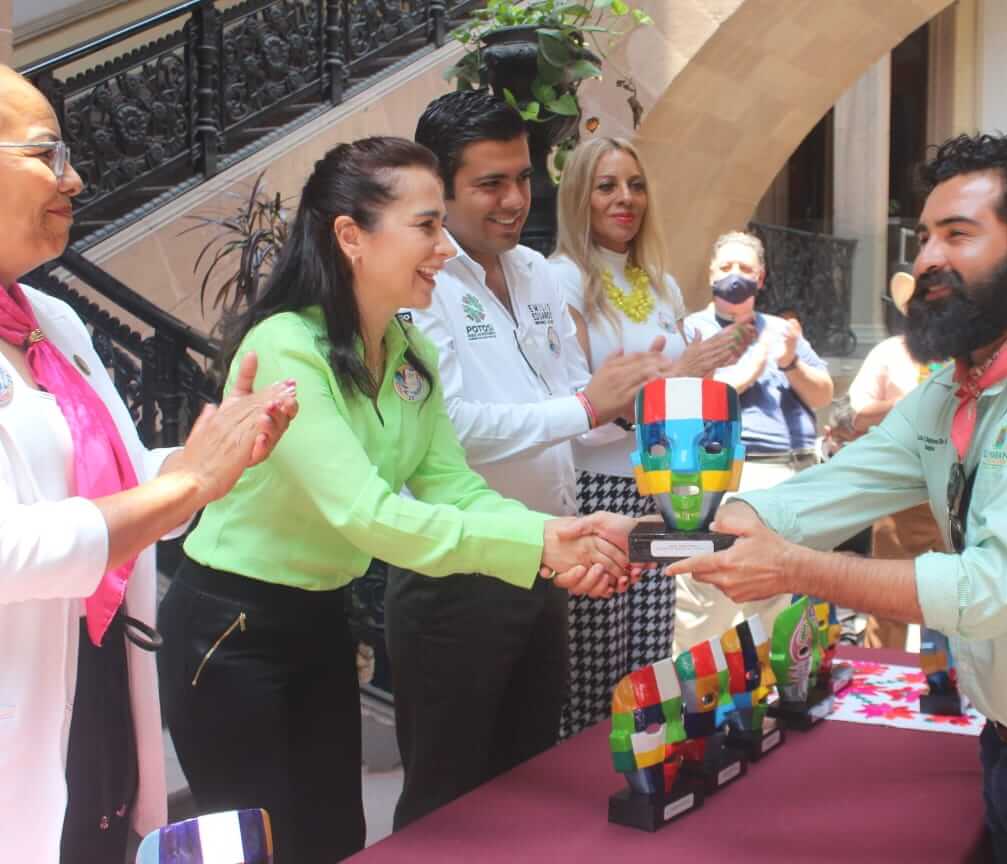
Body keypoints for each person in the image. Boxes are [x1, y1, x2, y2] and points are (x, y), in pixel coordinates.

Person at [667, 135, 1007, 860]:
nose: (926, 258)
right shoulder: (961, 389)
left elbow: (990, 589)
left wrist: (795, 568)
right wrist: (676, 531)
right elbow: (832, 489)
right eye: (924, 236)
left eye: (957, 235)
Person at [157, 137, 634, 864]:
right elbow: (368, 514)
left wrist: (555, 531)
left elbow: (452, 484)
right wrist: (539, 547)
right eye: (425, 226)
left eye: (442, 224)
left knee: (336, 840)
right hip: (231, 630)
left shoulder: (411, 348)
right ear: (350, 235)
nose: (445, 247)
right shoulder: (288, 346)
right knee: (259, 847)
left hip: (320, 619)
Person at [0, 66, 297, 863]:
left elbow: (123, 483)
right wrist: (187, 483)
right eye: (47, 154)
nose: (76, 177)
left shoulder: (51, 318)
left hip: (90, 684)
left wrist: (221, 453)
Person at [391, 92, 669, 827]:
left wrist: (624, 399)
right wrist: (588, 405)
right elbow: (445, 430)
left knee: (528, 785)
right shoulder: (416, 284)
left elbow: (560, 401)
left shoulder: (537, 275)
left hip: (543, 560)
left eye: (522, 177)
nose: (515, 200)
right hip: (455, 573)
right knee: (446, 803)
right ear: (437, 188)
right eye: (490, 184)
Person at [550, 136, 752, 736]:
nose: (626, 199)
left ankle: (651, 786)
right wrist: (670, 384)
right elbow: (575, 421)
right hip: (593, 495)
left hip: (664, 493)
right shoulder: (557, 280)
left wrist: (696, 381)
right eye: (607, 185)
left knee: (649, 669)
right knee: (592, 678)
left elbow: (674, 405)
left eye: (635, 185)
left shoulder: (662, 285)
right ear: (579, 198)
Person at [676, 231, 834, 649]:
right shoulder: (693, 329)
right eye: (726, 266)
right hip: (728, 476)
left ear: (761, 278)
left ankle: (769, 695)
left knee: (778, 597)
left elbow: (823, 393)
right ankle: (701, 698)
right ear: (711, 272)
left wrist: (790, 360)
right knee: (711, 597)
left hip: (792, 472)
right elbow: (710, 394)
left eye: (745, 268)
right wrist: (759, 357)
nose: (735, 276)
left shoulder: (783, 330)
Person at [841, 278, 947, 649]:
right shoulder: (889, 352)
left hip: (959, 496)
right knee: (887, 605)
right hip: (899, 497)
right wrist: (912, 404)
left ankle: (953, 694)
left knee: (957, 604)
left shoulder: (971, 353)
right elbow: (853, 414)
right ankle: (879, 693)